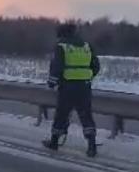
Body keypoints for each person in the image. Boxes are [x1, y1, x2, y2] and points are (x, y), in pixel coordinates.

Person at [43, 22, 101, 157]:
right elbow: (96, 66)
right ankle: (92, 146)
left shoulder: (61, 46)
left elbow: (57, 67)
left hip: (67, 86)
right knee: (86, 115)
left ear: (61, 34)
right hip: (84, 87)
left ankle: (54, 142)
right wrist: (87, 76)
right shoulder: (87, 46)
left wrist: (52, 83)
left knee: (62, 114)